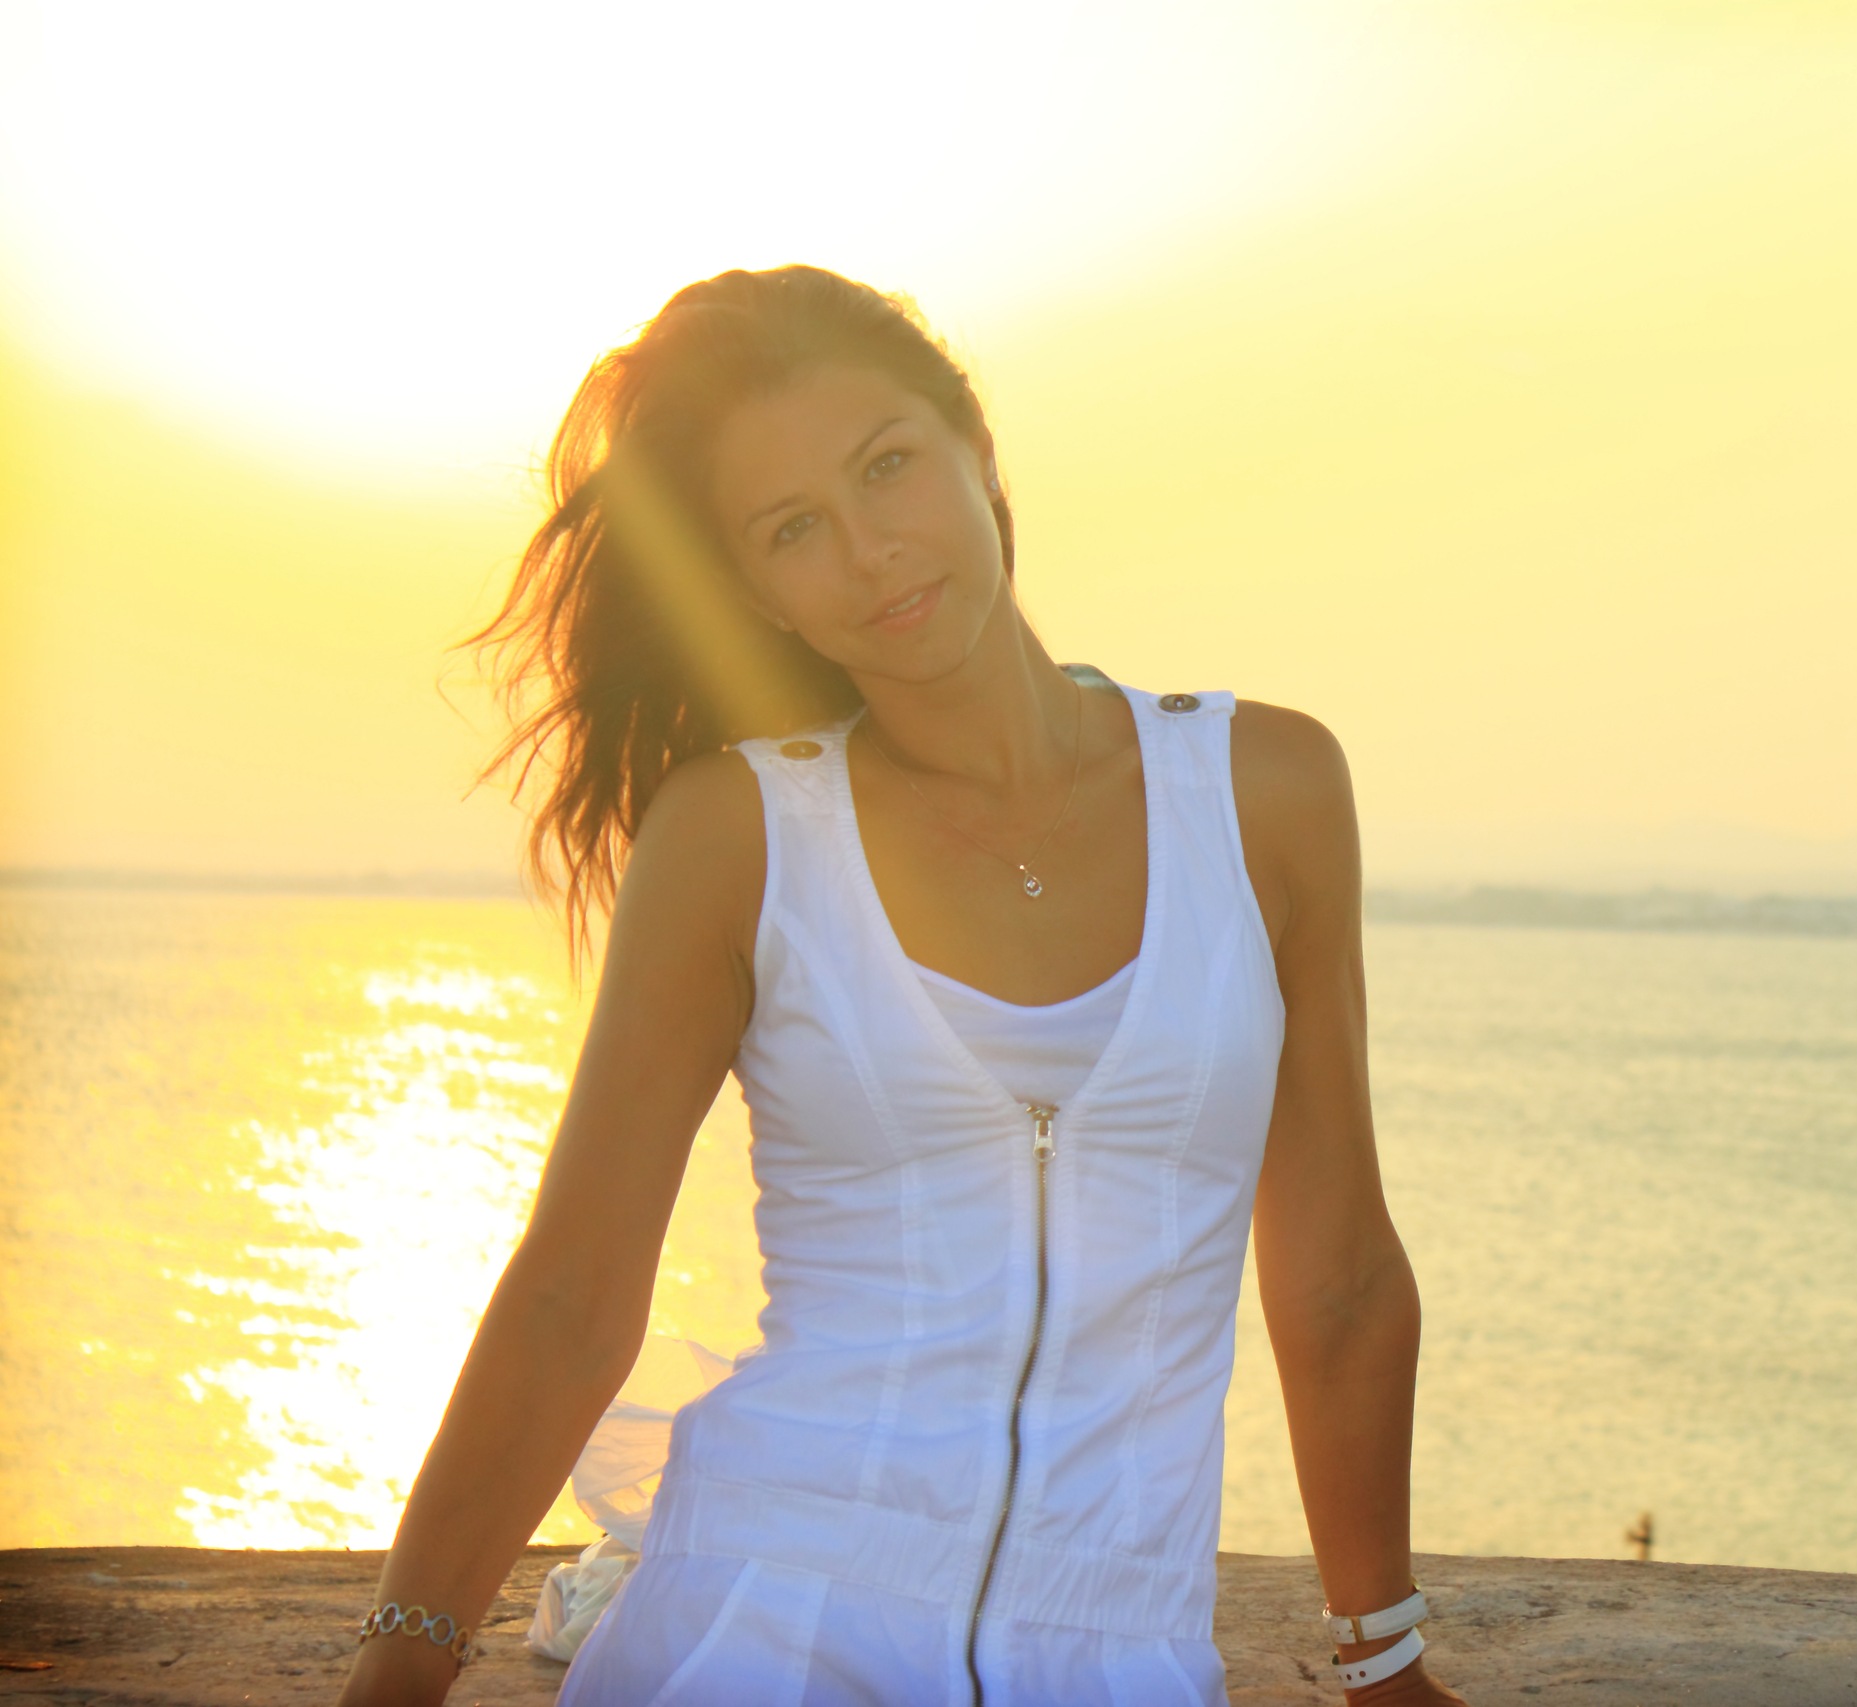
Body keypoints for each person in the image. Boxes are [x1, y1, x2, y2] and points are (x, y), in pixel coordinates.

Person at [334, 266, 1463, 1706]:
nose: (871, 552)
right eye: (793, 529)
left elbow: (1339, 1274)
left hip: (1120, 1654)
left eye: (887, 467)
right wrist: (401, 1668)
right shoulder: (741, 836)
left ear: (978, 452)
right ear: (759, 594)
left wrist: (1386, 1660)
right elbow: (572, 1294)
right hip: (767, 1622)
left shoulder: (1266, 791)